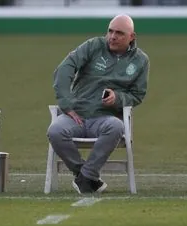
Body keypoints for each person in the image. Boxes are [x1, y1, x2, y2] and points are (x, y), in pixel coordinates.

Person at [47, 14, 149, 194]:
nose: (112, 36)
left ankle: (86, 176)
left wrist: (117, 98)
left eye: (119, 33)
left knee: (116, 127)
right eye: (110, 31)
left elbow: (137, 95)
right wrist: (67, 104)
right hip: (77, 115)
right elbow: (65, 68)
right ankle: (85, 176)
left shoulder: (140, 60)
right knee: (55, 131)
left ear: (132, 37)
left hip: (105, 118)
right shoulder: (93, 46)